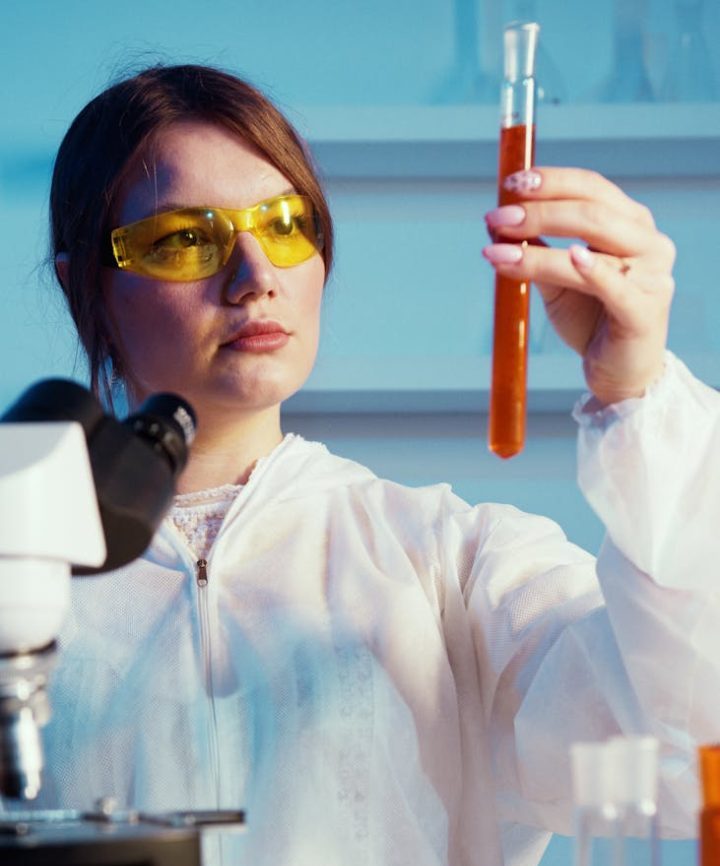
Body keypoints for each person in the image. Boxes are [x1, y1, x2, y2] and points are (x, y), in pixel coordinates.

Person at [35, 63, 720, 865]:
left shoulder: (448, 560)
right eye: (186, 239)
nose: (255, 279)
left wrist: (636, 394)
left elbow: (681, 748)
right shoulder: (26, 568)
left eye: (286, 225)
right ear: (88, 286)